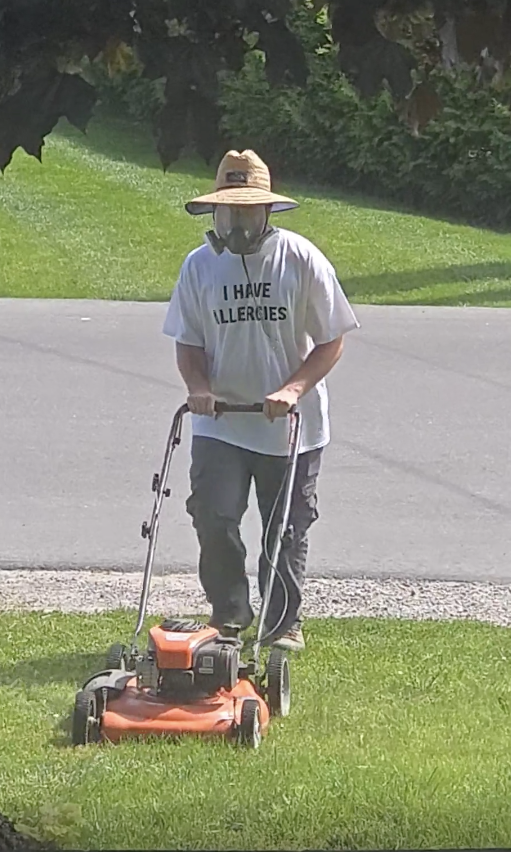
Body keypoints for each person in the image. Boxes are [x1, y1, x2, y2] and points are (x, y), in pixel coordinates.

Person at [162, 149, 359, 651]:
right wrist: (199, 389)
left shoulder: (301, 258)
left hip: (291, 424)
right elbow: (188, 340)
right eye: (229, 210)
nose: (238, 221)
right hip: (221, 420)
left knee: (286, 530)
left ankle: (282, 624)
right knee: (213, 515)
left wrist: (293, 388)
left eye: (248, 210)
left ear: (266, 210)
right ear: (216, 211)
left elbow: (332, 339)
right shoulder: (199, 266)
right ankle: (228, 613)